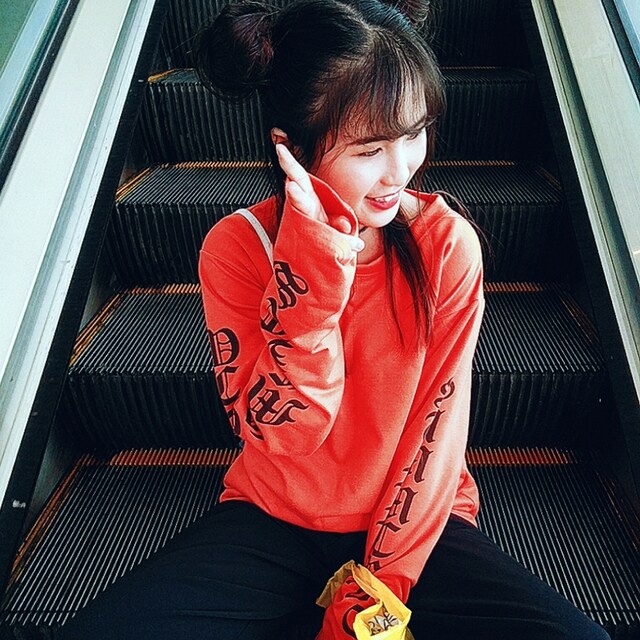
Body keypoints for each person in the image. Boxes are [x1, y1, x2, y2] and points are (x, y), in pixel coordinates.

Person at [57, 1, 610, 638]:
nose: (401, 170)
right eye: (370, 148)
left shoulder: (445, 245)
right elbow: (280, 433)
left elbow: (436, 428)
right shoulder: (236, 248)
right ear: (291, 149)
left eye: (413, 133)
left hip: (415, 519)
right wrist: (313, 278)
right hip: (276, 516)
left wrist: (383, 589)